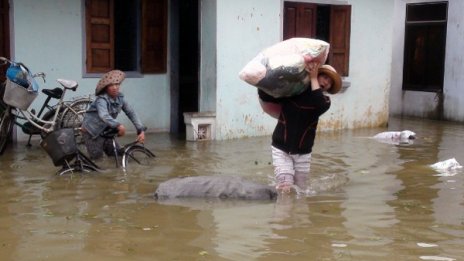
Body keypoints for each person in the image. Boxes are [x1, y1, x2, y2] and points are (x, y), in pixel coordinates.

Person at [258, 63, 342, 193]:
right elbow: (266, 96)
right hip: (281, 148)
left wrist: (313, 78)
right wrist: (264, 80)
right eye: (324, 77)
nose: (326, 82)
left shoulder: (325, 102)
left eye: (330, 82)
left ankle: (298, 213)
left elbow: (317, 102)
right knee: (285, 188)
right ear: (316, 74)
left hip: (303, 152)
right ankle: (283, 212)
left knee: (301, 190)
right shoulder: (292, 92)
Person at [81, 70, 147, 160]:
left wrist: (140, 130)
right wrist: (119, 126)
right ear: (106, 88)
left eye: (117, 84)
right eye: (111, 85)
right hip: (92, 133)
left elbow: (131, 113)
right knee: (97, 160)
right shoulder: (102, 99)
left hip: (106, 131)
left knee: (118, 155)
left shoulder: (120, 99)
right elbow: (103, 115)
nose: (115, 87)